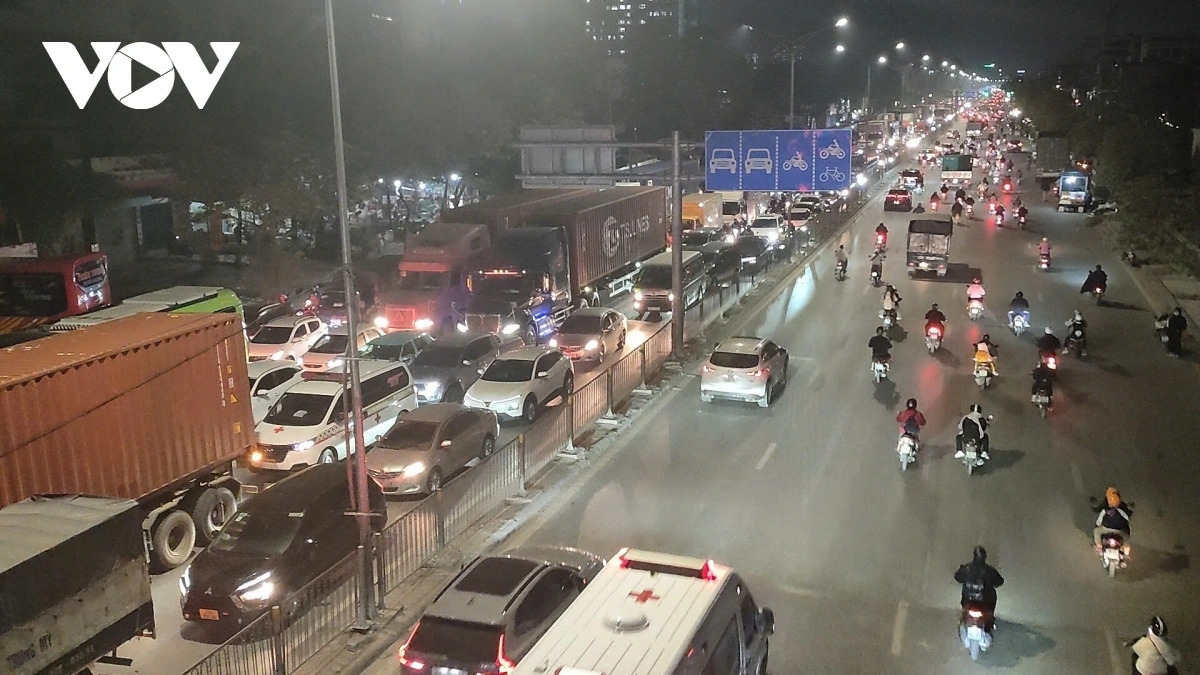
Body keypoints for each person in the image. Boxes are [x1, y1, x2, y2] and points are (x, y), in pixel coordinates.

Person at [953, 546, 1004, 631]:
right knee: (992, 597)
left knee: (964, 613)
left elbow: (957, 577)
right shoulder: (989, 570)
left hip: (968, 601)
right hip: (984, 603)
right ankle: (990, 622)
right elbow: (999, 582)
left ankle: (964, 620)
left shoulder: (966, 568)